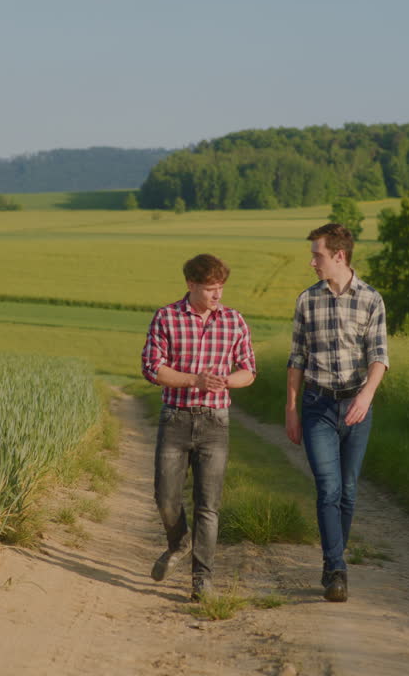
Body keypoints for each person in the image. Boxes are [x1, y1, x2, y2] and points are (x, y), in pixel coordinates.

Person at [141, 253, 256, 601]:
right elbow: (152, 369)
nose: (217, 295)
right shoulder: (166, 317)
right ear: (191, 285)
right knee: (165, 498)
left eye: (220, 288)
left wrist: (226, 381)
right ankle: (179, 542)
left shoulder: (234, 321)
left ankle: (202, 580)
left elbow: (249, 370)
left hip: (215, 423)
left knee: (209, 504)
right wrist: (195, 380)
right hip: (175, 419)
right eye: (209, 289)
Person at [285, 223, 389, 603]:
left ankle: (334, 559)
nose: (312, 261)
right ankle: (336, 568)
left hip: (357, 407)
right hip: (318, 406)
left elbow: (379, 357)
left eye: (318, 255)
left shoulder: (371, 300)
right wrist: (291, 408)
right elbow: (296, 358)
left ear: (339, 256)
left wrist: (366, 397)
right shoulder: (306, 301)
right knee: (327, 488)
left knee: (347, 491)